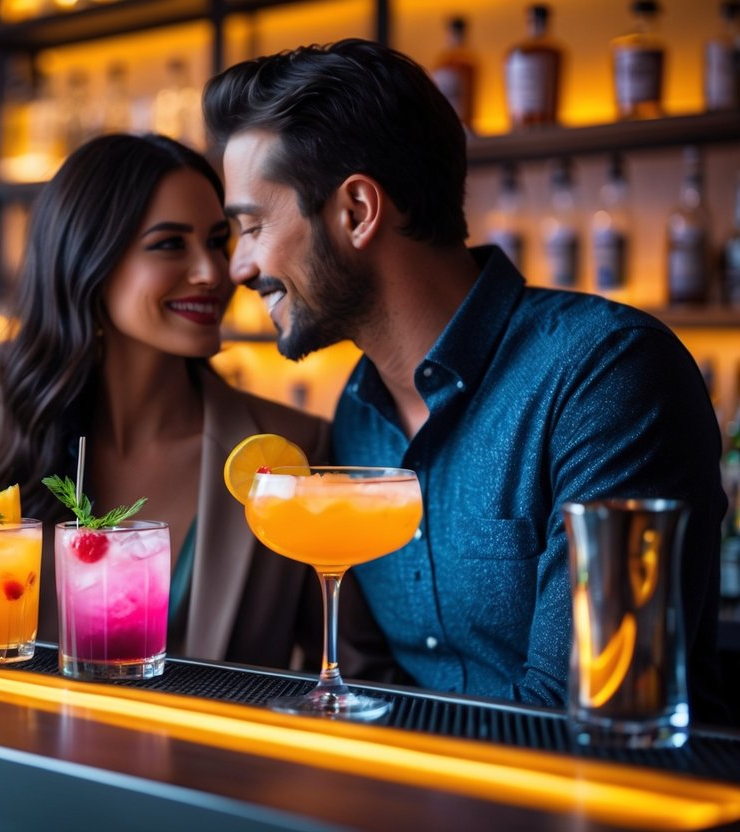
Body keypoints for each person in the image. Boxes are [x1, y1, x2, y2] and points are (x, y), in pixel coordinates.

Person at [203, 39, 731, 722]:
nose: (239, 267)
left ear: (357, 211)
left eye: (250, 227)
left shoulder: (604, 374)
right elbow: (369, 680)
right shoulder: (357, 411)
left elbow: (584, 713)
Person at [0, 133, 393, 673]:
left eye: (219, 242)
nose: (213, 271)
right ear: (89, 262)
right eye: (169, 244)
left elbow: (353, 670)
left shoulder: (289, 453)